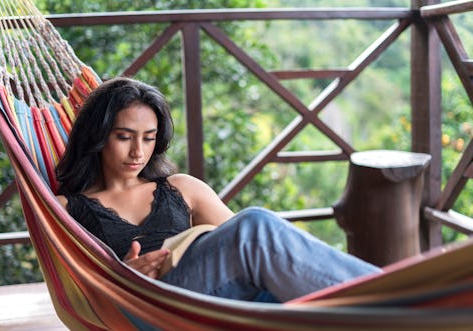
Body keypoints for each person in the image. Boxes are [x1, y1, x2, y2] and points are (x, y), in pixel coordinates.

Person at [55, 77, 381, 303]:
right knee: (254, 226)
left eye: (149, 138)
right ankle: (385, 300)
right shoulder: (65, 209)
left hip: (217, 303)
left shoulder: (181, 188)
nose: (138, 152)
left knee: (273, 264)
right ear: (98, 137)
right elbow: (72, 297)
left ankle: (387, 299)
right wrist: (122, 277)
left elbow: (252, 255)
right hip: (148, 307)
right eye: (124, 137)